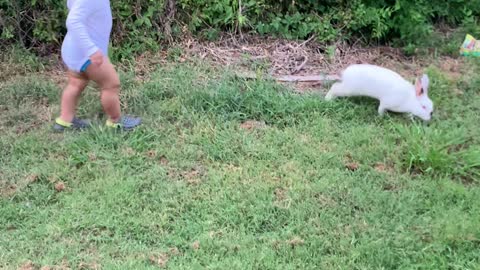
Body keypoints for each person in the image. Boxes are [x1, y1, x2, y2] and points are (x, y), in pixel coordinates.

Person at [53, 0, 141, 132]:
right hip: (86, 53)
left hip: (74, 49)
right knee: (111, 84)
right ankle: (115, 121)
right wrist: (91, 50)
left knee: (76, 82)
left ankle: (65, 120)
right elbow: (73, 21)